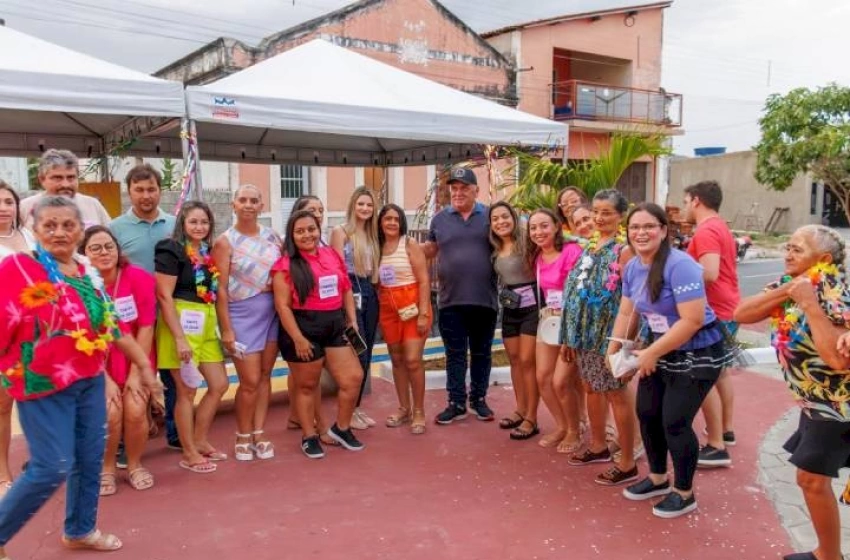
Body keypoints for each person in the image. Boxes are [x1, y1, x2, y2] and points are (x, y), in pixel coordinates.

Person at [0, 196, 159, 557]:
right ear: (35, 229)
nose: (59, 232)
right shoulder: (19, 268)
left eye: (68, 225)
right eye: (49, 225)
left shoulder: (87, 271)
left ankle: (80, 529)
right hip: (41, 384)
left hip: (87, 380)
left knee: (89, 457)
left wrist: (145, 370)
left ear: (80, 231)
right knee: (51, 465)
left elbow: (113, 328)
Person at [738, 225, 850, 560]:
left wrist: (810, 304)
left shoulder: (835, 293)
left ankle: (829, 556)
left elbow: (836, 360)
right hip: (814, 402)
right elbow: (741, 313)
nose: (788, 253)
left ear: (824, 259)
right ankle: (826, 552)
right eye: (787, 246)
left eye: (797, 249)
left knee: (811, 480)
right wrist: (789, 292)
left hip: (837, 403)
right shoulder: (790, 286)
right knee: (810, 480)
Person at [612, 202, 729, 518]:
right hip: (661, 348)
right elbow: (627, 311)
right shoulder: (633, 267)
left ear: (663, 230)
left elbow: (690, 320)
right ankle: (657, 478)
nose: (641, 233)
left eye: (649, 226)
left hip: (698, 351)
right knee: (647, 413)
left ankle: (684, 492)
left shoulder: (681, 265)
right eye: (635, 227)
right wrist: (614, 349)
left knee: (674, 421)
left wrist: (650, 353)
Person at [561, 189, 639, 486]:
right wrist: (570, 335)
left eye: (606, 212)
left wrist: (622, 343)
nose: (599, 218)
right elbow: (575, 292)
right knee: (591, 387)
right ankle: (598, 445)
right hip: (585, 335)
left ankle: (628, 461)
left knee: (616, 393)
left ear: (620, 216)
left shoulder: (624, 250)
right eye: (596, 211)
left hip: (611, 336)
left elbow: (633, 300)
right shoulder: (590, 245)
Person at [273, 210, 365, 459]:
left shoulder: (331, 255)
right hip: (303, 328)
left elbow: (345, 288)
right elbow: (282, 306)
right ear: (292, 235)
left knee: (353, 378)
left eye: (311, 229)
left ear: (319, 229)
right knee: (307, 386)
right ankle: (309, 436)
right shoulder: (286, 265)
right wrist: (298, 338)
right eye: (300, 231)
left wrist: (352, 321)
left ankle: (341, 428)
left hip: (334, 324)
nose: (307, 235)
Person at [81, 227, 157, 495]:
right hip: (95, 363)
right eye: (95, 248)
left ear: (118, 249)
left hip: (137, 355)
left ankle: (134, 465)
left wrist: (138, 371)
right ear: (84, 255)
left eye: (108, 246)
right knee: (110, 413)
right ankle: (107, 468)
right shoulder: (81, 285)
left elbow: (147, 326)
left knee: (136, 409)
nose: (104, 253)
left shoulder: (138, 278)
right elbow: (81, 336)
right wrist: (105, 379)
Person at [155, 201, 229, 474]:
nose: (199, 227)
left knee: (219, 384)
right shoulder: (171, 248)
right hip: (180, 324)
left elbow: (214, 291)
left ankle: (199, 440)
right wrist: (179, 338)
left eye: (204, 222)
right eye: (194, 222)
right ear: (182, 224)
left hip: (206, 322)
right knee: (186, 391)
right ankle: (188, 452)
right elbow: (163, 295)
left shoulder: (207, 253)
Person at [110, 164, 180, 451]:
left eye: (151, 189)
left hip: (170, 309)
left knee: (171, 370)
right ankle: (127, 438)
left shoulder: (175, 224)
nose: (146, 195)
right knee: (130, 370)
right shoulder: (115, 228)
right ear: (129, 192)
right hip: (134, 317)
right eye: (139, 190)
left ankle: (175, 432)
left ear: (160, 191)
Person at [421, 167, 498, 424]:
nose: (458, 192)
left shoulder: (490, 217)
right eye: (454, 188)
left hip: (484, 299)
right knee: (454, 354)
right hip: (450, 300)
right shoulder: (439, 220)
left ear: (476, 190)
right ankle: (456, 402)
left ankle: (478, 399)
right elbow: (429, 250)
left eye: (464, 187)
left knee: (481, 353)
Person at [212, 185, 281, 461]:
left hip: (271, 314)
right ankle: (242, 433)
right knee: (249, 380)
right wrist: (226, 329)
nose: (249, 205)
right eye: (243, 200)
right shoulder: (224, 242)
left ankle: (259, 432)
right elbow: (221, 289)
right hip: (241, 316)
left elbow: (282, 271)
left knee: (265, 376)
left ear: (261, 205)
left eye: (254, 200)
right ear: (233, 205)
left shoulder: (273, 237)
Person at [680, 181, 740, 468]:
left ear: (695, 201)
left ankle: (716, 444)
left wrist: (676, 274)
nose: (683, 207)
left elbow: (710, 272)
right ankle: (725, 431)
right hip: (727, 306)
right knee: (721, 374)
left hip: (713, 310)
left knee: (705, 375)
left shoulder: (706, 230)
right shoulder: (720, 226)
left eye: (684, 201)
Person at [284, 195, 337, 446]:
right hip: (301, 324)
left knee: (308, 379)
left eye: (320, 210)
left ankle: (304, 417)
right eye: (310, 210)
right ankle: (313, 426)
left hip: (328, 323)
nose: (317, 214)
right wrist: (297, 336)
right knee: (306, 379)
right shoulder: (290, 257)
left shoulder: (324, 247)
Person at [528, 209, 583, 447]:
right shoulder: (537, 258)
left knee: (561, 381)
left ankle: (575, 430)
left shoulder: (571, 252)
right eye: (533, 228)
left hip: (570, 321)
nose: (538, 232)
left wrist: (570, 323)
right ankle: (562, 426)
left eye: (544, 226)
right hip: (548, 320)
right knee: (543, 378)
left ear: (557, 227)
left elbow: (578, 292)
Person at [376, 204, 432, 435]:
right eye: (387, 218)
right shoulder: (376, 246)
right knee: (397, 359)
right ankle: (404, 408)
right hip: (388, 307)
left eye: (395, 219)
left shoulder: (408, 244)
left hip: (412, 305)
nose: (391, 223)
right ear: (380, 222)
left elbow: (424, 280)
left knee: (412, 360)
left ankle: (419, 410)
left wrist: (424, 312)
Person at [330, 187, 381, 431]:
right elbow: (337, 271)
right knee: (356, 350)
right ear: (353, 205)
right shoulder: (341, 232)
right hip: (350, 291)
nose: (365, 209)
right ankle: (347, 412)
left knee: (368, 349)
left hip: (369, 293)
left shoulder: (372, 234)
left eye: (369, 205)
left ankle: (356, 408)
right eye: (361, 204)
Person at [489, 202, 539, 439]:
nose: (501, 222)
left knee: (528, 361)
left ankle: (532, 417)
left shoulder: (528, 242)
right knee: (516, 361)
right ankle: (520, 409)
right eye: (495, 219)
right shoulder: (495, 248)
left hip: (532, 308)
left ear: (513, 217)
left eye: (504, 217)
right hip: (510, 308)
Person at [0, 181, 35, 500]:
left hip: (37, 332)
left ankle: (39, 462)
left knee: (37, 397)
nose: (3, 207)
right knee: (3, 403)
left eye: (8, 201)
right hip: (3, 332)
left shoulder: (30, 236)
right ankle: (2, 472)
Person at [20, 149, 111, 230]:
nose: (65, 184)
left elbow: (110, 239)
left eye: (71, 177)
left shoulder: (92, 205)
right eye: (57, 178)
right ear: (42, 179)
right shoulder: (24, 208)